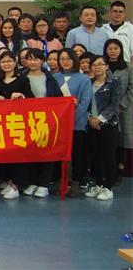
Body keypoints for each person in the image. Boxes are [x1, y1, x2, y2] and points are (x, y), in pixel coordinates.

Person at [0, 51, 34, 200]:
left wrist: (22, 97)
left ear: (15, 63)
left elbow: (32, 100)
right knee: (5, 154)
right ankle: (8, 181)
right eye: (3, 62)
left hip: (18, 124)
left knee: (18, 154)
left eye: (9, 61)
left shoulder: (23, 80)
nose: (6, 64)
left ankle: (16, 185)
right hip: (0, 125)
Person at [20, 49, 63, 199]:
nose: (32, 62)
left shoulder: (50, 78)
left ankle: (43, 184)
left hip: (46, 121)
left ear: (42, 61)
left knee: (46, 152)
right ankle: (32, 182)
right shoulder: (21, 77)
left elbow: (59, 99)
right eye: (29, 59)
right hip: (27, 121)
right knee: (31, 153)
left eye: (36, 59)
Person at [54, 48, 93, 197]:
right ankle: (61, 181)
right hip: (58, 124)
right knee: (58, 154)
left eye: (68, 58)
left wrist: (72, 119)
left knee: (76, 154)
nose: (65, 61)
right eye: (62, 58)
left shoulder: (83, 79)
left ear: (74, 60)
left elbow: (85, 102)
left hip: (77, 123)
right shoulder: (55, 77)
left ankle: (76, 182)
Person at [84, 55, 121, 201]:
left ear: (106, 66)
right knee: (96, 157)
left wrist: (99, 119)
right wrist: (89, 119)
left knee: (109, 157)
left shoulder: (114, 83)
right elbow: (84, 103)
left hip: (108, 125)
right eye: (94, 64)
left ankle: (108, 187)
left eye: (100, 64)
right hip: (91, 124)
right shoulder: (88, 83)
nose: (97, 67)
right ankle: (98, 184)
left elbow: (114, 105)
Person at [103, 39, 133, 180]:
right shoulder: (102, 66)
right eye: (110, 48)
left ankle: (122, 166)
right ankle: (110, 168)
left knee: (124, 137)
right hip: (105, 108)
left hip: (124, 108)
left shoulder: (128, 67)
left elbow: (132, 88)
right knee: (109, 138)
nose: (113, 51)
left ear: (121, 50)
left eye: (116, 48)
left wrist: (121, 105)